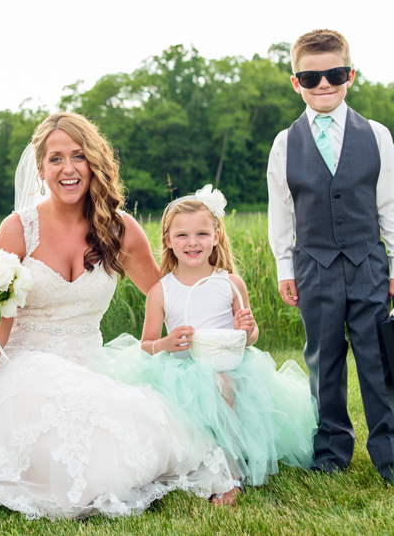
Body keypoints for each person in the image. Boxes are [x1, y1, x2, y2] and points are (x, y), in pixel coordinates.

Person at [0, 112, 239, 520]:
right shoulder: (18, 229)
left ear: (94, 163)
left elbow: (165, 294)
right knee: (65, 429)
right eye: (56, 158)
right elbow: (2, 324)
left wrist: (213, 331)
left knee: (124, 431)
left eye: (78, 156)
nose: (68, 168)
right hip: (24, 367)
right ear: (42, 169)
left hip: (92, 362)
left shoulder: (120, 229)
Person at [266, 28, 394, 488]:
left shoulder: (376, 135)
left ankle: (393, 459)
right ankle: (331, 453)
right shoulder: (284, 143)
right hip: (314, 268)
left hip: (369, 265)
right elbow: (283, 211)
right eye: (311, 77)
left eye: (334, 74)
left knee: (379, 364)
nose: (323, 85)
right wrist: (284, 268)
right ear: (296, 82)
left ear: (349, 75)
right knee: (324, 363)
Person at [128, 187, 316, 487]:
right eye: (182, 236)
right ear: (167, 240)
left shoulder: (230, 283)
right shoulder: (161, 290)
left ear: (216, 236)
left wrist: (247, 329)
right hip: (181, 371)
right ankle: (198, 460)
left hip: (229, 366)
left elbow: (250, 336)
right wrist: (166, 343)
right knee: (205, 389)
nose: (192, 243)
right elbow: (147, 344)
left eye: (202, 234)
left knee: (223, 383)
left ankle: (230, 472)